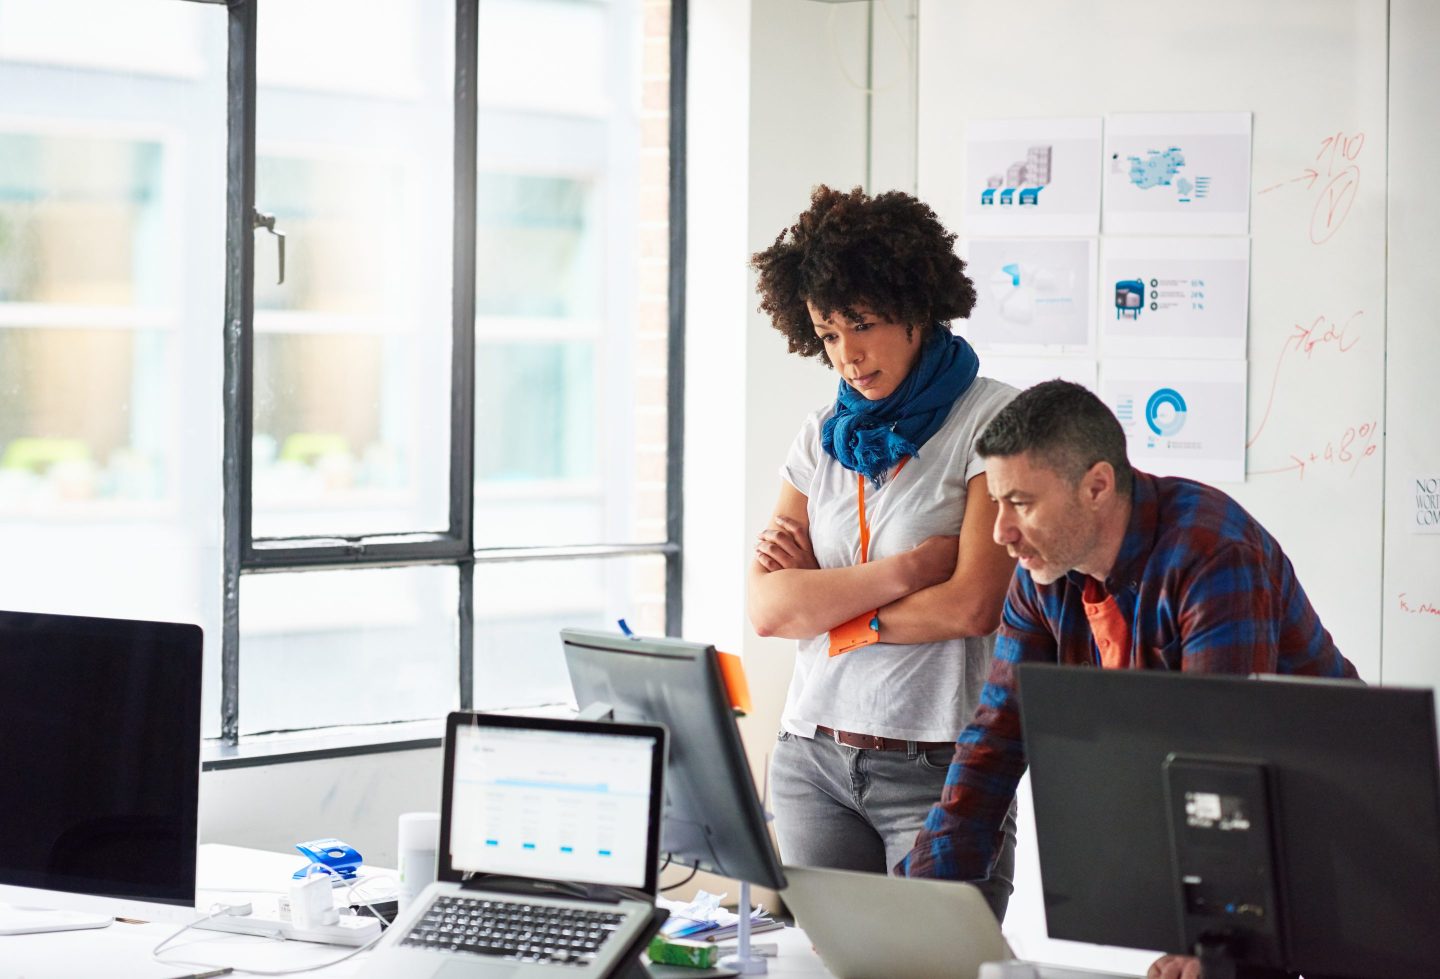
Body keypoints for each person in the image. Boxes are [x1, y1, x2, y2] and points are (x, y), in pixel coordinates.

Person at [894, 379, 1360, 979]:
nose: (1000, 532)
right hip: (1223, 837)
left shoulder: (1210, 552)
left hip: (1329, 842)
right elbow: (996, 739)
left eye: (1021, 503)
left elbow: (1222, 756)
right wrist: (922, 902)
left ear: (1096, 486)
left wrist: (1212, 936)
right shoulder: (1043, 575)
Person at [747, 184, 1020, 919]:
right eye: (828, 334)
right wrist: (909, 569)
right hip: (813, 760)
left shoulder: (991, 420)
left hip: (935, 768)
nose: (848, 355)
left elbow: (972, 602)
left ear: (917, 305)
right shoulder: (823, 434)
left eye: (862, 325)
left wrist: (840, 612)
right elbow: (772, 609)